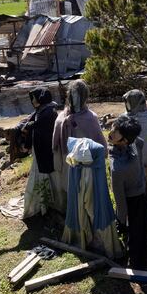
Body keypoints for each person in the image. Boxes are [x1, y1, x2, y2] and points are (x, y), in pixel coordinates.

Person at [61, 137, 123, 260]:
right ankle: (101, 244)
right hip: (89, 181)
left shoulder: (78, 159)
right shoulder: (97, 152)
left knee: (89, 209)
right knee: (95, 209)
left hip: (84, 181)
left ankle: (87, 240)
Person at [52, 80, 107, 210]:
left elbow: (98, 141)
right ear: (69, 95)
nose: (75, 98)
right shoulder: (61, 117)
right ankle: (72, 213)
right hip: (67, 160)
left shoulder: (90, 118)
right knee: (69, 188)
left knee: (85, 191)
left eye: (78, 94)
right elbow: (56, 143)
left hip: (85, 162)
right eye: (73, 94)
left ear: (84, 96)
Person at [108, 115, 147, 270]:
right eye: (114, 127)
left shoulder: (118, 168)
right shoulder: (135, 143)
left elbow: (120, 199)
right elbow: (140, 141)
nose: (111, 132)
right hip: (140, 190)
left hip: (130, 199)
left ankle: (137, 264)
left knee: (134, 232)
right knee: (141, 228)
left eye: (116, 132)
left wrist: (120, 219)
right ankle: (142, 254)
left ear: (124, 140)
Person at [18, 87, 62, 218]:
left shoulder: (48, 112)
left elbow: (35, 126)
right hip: (42, 151)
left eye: (33, 97)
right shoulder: (42, 110)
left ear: (40, 98)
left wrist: (28, 127)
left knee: (48, 177)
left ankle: (46, 204)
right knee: (44, 177)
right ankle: (44, 204)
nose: (32, 101)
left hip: (47, 151)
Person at [122, 89, 147, 222]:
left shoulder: (127, 120)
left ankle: (138, 217)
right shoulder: (146, 116)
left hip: (134, 164)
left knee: (137, 193)